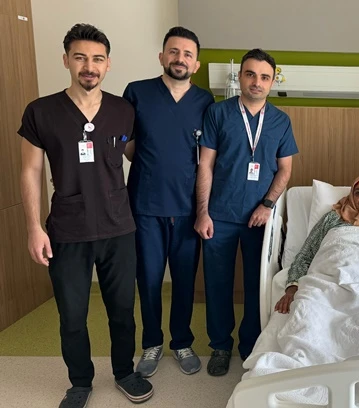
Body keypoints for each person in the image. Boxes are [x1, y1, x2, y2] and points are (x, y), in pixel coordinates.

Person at [18, 23, 153, 407]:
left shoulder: (123, 111)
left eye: (97, 59)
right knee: (72, 315)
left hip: (118, 226)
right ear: (66, 60)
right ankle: (80, 382)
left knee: (123, 311)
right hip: (67, 229)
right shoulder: (41, 112)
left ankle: (125, 372)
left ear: (108, 64)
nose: (89, 66)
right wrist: (33, 227)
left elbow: (138, 156)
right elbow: (30, 170)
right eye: (80, 57)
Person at [195, 48, 299, 376]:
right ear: (240, 76)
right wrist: (203, 212)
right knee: (218, 283)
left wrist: (267, 205)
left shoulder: (280, 121)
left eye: (265, 77)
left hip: (260, 219)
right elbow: (205, 165)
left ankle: (251, 344)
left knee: (258, 285)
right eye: (250, 74)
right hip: (220, 214)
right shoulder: (218, 113)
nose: (257, 82)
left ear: (273, 82)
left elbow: (285, 170)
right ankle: (220, 346)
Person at [122, 26, 215, 378]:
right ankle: (151, 343)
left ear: (196, 64)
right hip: (146, 206)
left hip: (188, 208)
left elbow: (207, 157)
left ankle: (181, 341)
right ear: (162, 56)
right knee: (148, 279)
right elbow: (128, 147)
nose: (180, 59)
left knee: (185, 280)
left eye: (188, 54)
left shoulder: (205, 101)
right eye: (174, 51)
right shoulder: (137, 92)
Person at [275, 175, 359, 313]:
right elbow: (306, 254)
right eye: (358, 192)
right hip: (334, 279)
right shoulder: (332, 218)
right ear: (352, 197)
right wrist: (292, 289)